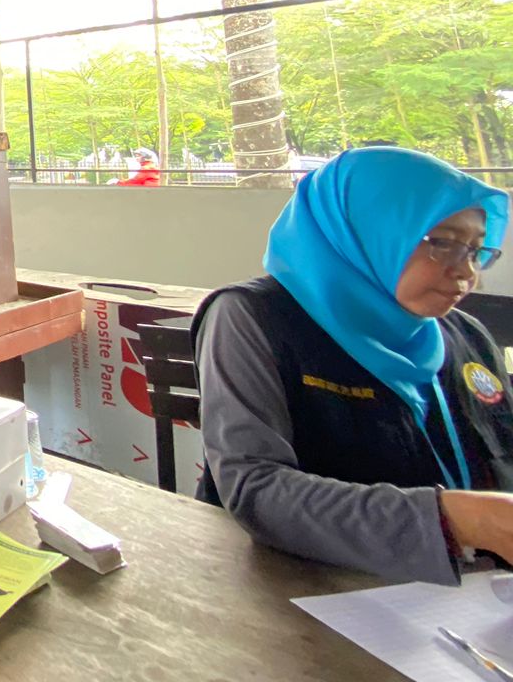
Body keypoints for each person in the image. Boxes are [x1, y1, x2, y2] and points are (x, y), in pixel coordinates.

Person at [194, 147, 510, 584]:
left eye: (476, 251)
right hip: (315, 595)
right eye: (443, 243)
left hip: (481, 601)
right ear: (367, 230)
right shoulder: (255, 318)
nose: (467, 275)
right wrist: (454, 519)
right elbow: (254, 487)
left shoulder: (464, 335)